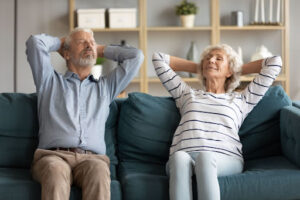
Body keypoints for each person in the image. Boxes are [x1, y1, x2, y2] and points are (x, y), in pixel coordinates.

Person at [26, 27, 144, 200]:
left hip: (93, 159)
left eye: (92, 42)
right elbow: (35, 43)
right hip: (53, 156)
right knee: (56, 170)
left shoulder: (106, 87)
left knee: (99, 171)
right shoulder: (49, 81)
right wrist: (61, 43)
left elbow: (136, 56)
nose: (89, 45)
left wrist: (97, 48)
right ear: (66, 54)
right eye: (82, 42)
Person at [152, 44, 282, 200]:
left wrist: (237, 69)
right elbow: (158, 59)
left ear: (229, 72)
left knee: (205, 157)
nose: (211, 60)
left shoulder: (240, 100)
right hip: (185, 154)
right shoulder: (186, 94)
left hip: (224, 158)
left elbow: (275, 63)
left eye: (218, 58)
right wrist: (202, 67)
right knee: (179, 157)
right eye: (208, 58)